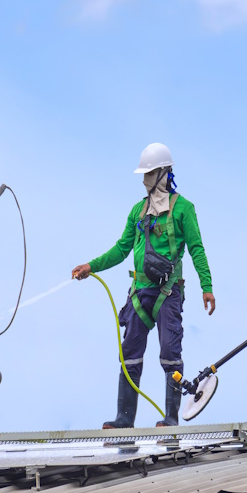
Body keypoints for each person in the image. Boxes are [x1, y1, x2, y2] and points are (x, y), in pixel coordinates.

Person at [72, 143, 215, 428]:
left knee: (170, 353)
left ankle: (171, 418)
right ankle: (124, 419)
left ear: (164, 173)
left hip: (167, 292)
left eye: (150, 174)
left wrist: (206, 286)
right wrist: (91, 266)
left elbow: (196, 248)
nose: (145, 180)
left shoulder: (183, 209)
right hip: (139, 292)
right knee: (130, 355)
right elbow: (121, 248)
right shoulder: (139, 211)